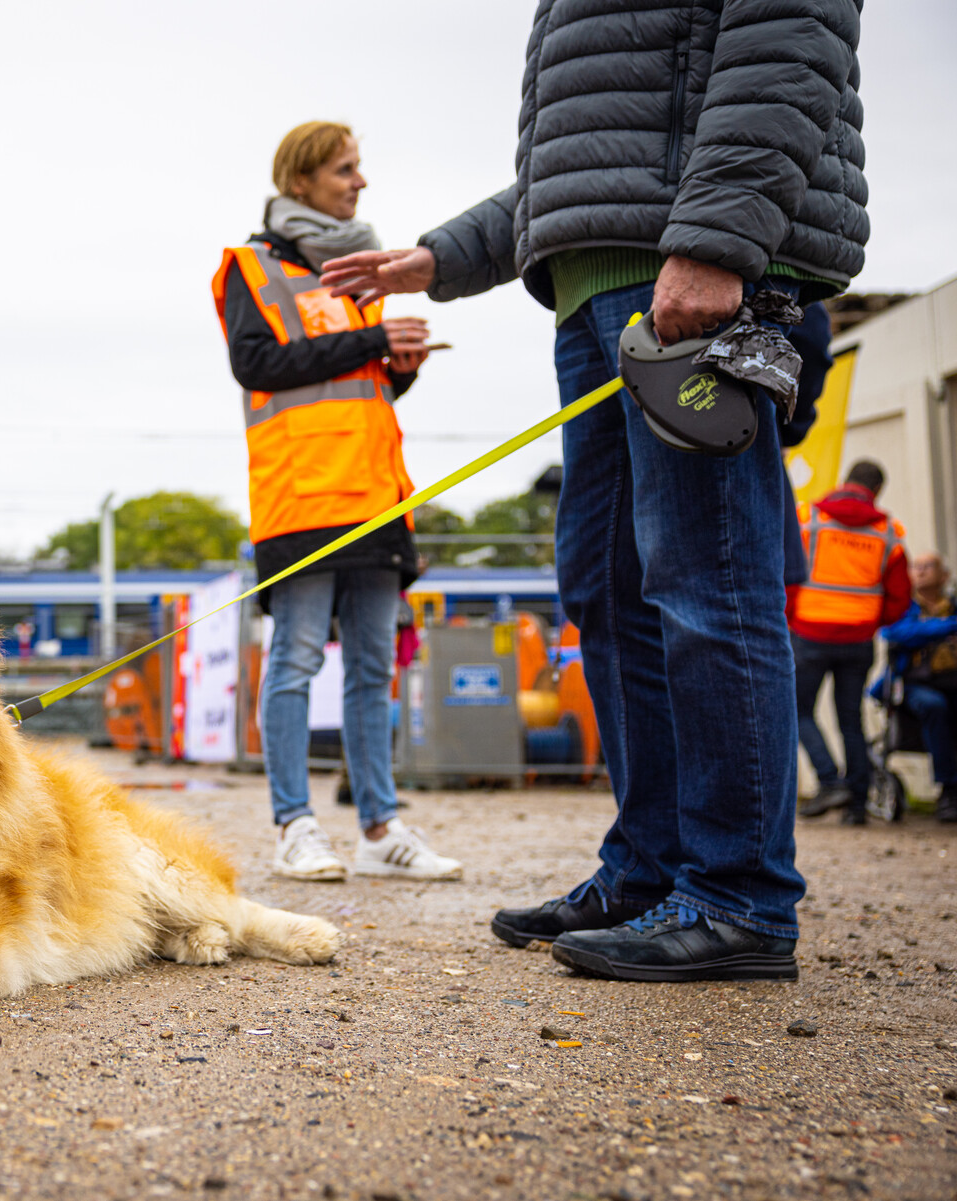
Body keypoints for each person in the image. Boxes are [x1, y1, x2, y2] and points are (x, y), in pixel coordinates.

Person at [318, 2, 867, 981]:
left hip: (691, 270)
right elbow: (598, 152)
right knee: (609, 592)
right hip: (600, 286)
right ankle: (653, 867)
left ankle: (738, 893)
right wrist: (449, 252)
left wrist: (720, 236)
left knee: (710, 581)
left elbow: (791, 32)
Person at [211, 121, 462, 883]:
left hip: (376, 498)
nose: (360, 183)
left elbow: (357, 388)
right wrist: (372, 343)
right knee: (293, 661)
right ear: (300, 181)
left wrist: (401, 365)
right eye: (345, 170)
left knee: (373, 668)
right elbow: (256, 364)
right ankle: (296, 825)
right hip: (301, 500)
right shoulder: (251, 266)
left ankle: (380, 829)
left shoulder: (362, 272)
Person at [790, 460, 909, 823]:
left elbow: (786, 572)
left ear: (846, 481)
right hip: (858, 638)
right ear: (876, 491)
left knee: (797, 711)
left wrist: (790, 616)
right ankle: (856, 806)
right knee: (850, 720)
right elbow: (900, 598)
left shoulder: (809, 516)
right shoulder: (890, 531)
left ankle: (829, 781)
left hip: (809, 631)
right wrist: (871, 619)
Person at [880, 553, 957, 824]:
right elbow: (897, 632)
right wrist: (946, 627)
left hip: (951, 681)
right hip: (914, 685)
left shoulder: (952, 604)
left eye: (929, 567)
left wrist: (931, 627)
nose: (921, 572)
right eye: (917, 567)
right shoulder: (905, 606)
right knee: (934, 705)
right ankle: (949, 791)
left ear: (944, 575)